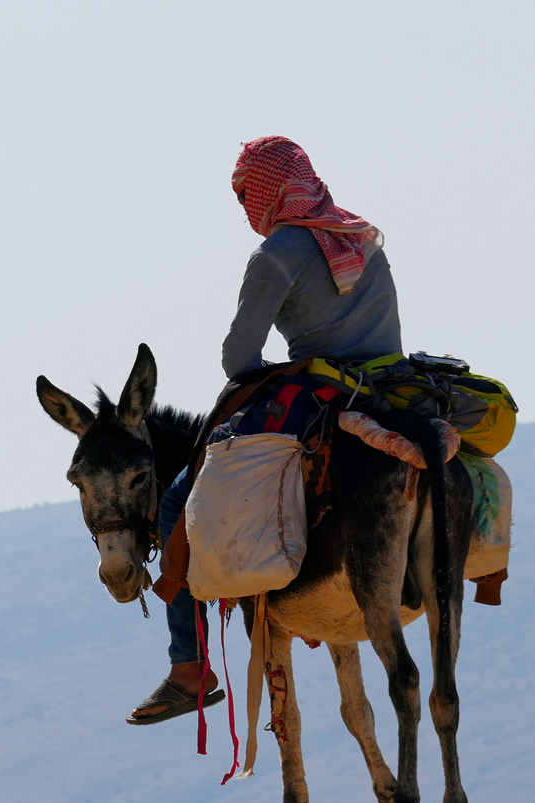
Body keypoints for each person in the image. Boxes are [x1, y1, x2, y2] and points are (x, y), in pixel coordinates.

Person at [128, 135, 403, 723]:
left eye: (244, 193)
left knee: (179, 501)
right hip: (392, 390)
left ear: (268, 188)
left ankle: (189, 668)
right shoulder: (361, 235)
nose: (243, 207)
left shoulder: (279, 251)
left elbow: (238, 356)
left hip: (321, 392)